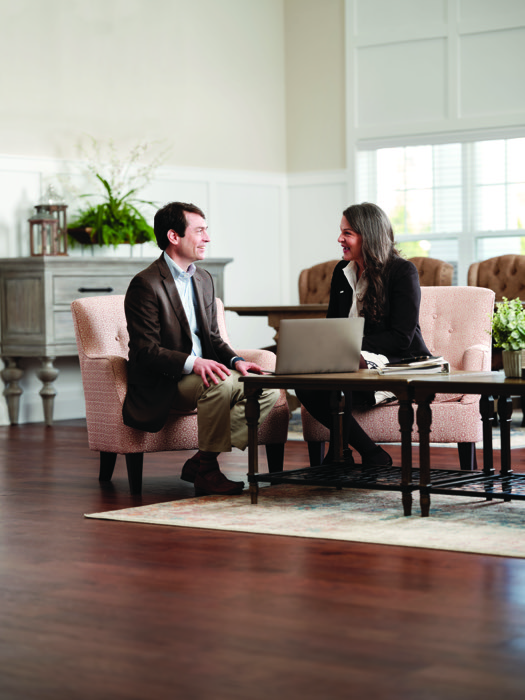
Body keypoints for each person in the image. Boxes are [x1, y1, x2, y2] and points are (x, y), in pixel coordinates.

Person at [122, 201, 279, 495]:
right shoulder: (146, 284)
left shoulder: (204, 279)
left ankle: (203, 462)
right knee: (218, 385)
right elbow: (145, 350)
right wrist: (193, 363)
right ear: (173, 236)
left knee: (267, 388)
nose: (207, 238)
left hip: (203, 373)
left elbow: (212, 337)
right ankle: (207, 471)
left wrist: (236, 361)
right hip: (166, 380)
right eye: (200, 231)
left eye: (207, 231)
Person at [296, 201, 430, 467]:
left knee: (337, 382)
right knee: (305, 383)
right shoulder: (341, 272)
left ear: (367, 236)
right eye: (341, 231)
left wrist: (348, 345)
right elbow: (333, 325)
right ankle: (370, 453)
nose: (340, 238)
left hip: (398, 361)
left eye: (348, 233)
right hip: (350, 364)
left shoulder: (402, 272)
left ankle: (339, 453)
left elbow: (401, 338)